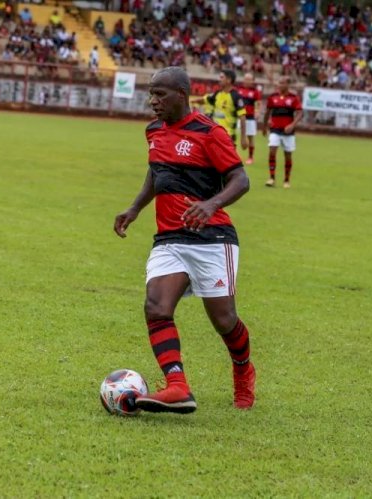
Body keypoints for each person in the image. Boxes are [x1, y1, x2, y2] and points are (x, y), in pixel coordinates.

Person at [113, 66, 256, 414]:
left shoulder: (209, 133)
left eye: (160, 94)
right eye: (151, 94)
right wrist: (134, 208)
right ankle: (177, 386)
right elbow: (156, 171)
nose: (153, 101)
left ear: (181, 93)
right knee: (156, 307)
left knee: (224, 321)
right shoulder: (153, 131)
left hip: (212, 237)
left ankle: (243, 372)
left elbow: (240, 179)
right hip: (170, 238)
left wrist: (211, 204)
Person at [191, 69, 248, 150]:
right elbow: (204, 100)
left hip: (228, 136)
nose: (219, 79)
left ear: (229, 80)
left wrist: (243, 137)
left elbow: (242, 117)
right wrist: (191, 101)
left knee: (228, 161)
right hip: (214, 134)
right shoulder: (217, 94)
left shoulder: (235, 96)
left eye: (222, 77)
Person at [261, 76, 303, 188]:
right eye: (279, 83)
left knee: (288, 155)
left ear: (288, 85)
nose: (280, 85)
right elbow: (267, 112)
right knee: (272, 151)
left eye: (283, 83)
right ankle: (271, 178)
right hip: (275, 129)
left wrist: (292, 125)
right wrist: (264, 126)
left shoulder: (293, 98)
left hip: (288, 131)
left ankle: (286, 180)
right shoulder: (273, 97)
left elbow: (299, 113)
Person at [236, 72, 262, 165]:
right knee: (237, 136)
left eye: (249, 79)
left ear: (253, 81)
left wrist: (258, 111)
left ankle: (250, 157)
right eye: (245, 79)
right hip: (238, 117)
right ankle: (236, 156)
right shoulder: (238, 89)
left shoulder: (255, 92)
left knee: (250, 138)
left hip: (250, 118)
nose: (247, 81)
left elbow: (258, 103)